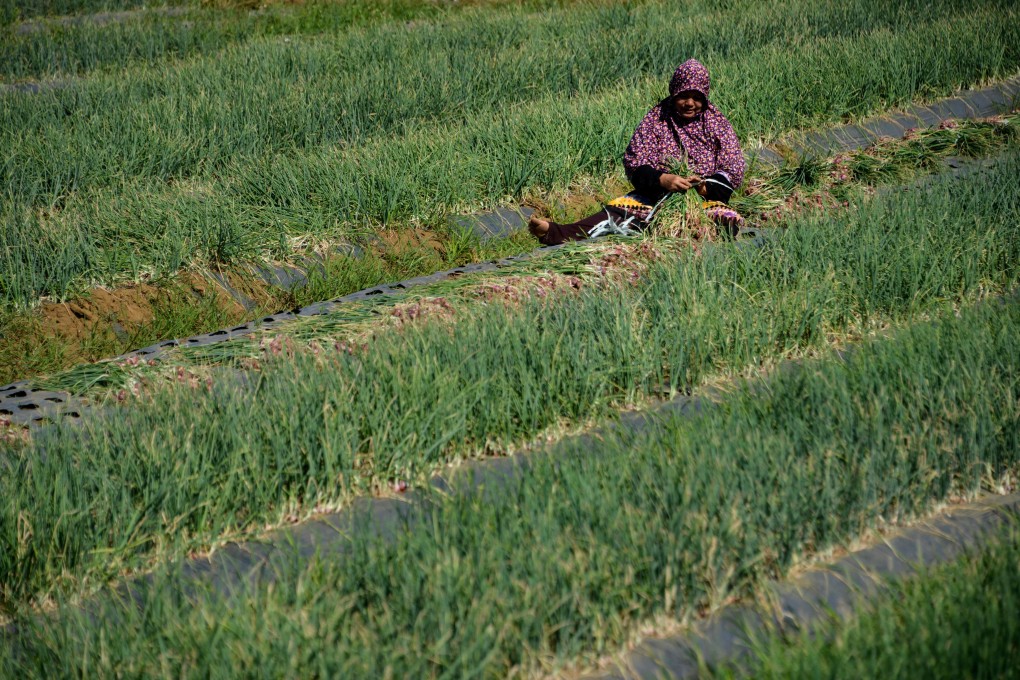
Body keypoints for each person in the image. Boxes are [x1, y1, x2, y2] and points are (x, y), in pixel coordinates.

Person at [528, 59, 746, 245]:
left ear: (705, 97)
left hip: (703, 199)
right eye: (683, 96)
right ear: (673, 93)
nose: (690, 103)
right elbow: (636, 164)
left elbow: (732, 167)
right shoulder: (656, 119)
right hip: (655, 196)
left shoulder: (716, 123)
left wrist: (705, 187)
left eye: (697, 97)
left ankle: (685, 234)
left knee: (727, 221)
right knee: (613, 214)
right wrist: (663, 179)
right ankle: (556, 233)